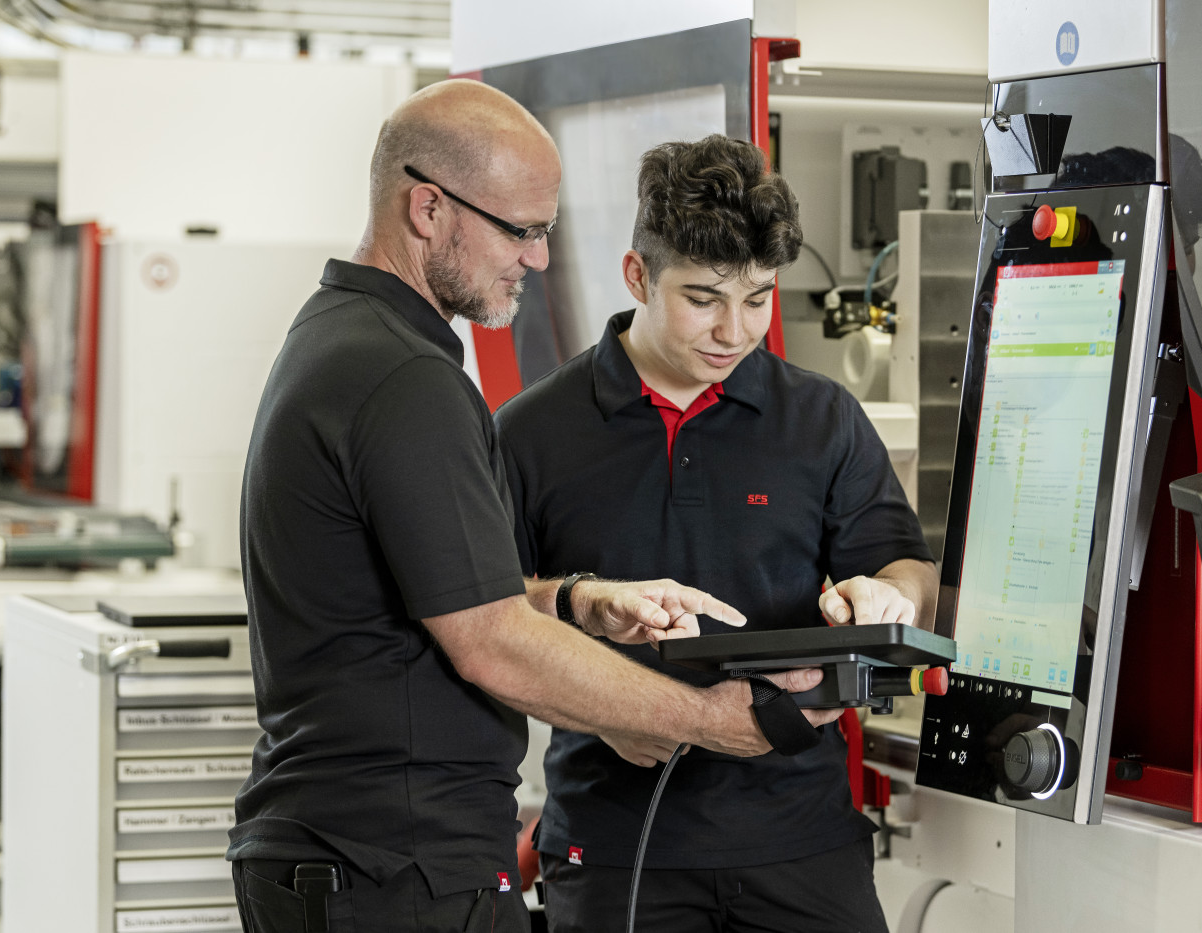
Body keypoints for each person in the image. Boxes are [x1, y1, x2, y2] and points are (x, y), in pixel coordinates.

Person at [227, 84, 839, 933]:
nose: (540, 258)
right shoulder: (405, 379)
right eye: (521, 230)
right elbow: (489, 643)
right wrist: (709, 719)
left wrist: (580, 598)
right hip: (390, 865)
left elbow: (444, 593)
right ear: (429, 208)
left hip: (361, 856)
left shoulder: (345, 337)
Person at [494, 134, 938, 932]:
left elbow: (903, 566)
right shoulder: (532, 432)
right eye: (703, 297)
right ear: (638, 275)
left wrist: (888, 595)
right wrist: (603, 706)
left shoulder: (823, 419)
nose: (735, 331)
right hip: (616, 846)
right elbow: (484, 614)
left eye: (759, 297)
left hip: (801, 842)